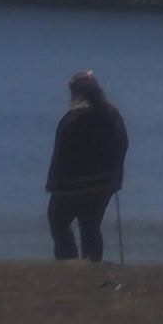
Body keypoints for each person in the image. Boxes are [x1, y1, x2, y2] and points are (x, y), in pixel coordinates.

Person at [45, 69, 130, 262]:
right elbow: (122, 145)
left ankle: (68, 260)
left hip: (71, 186)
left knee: (58, 220)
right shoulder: (112, 115)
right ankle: (91, 263)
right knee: (90, 225)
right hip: (104, 184)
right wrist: (115, 177)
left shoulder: (73, 118)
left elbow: (62, 154)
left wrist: (54, 184)